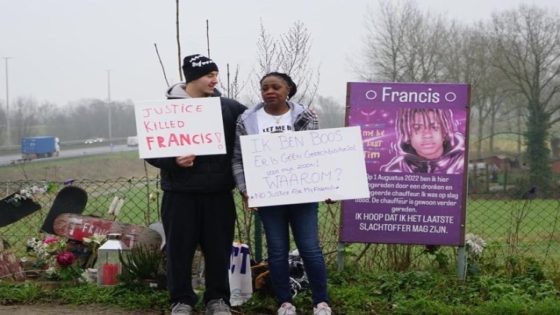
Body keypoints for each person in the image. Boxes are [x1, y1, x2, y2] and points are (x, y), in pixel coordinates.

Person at [146, 54, 246, 315]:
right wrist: (173, 160)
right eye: (209, 75)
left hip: (218, 194)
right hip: (179, 194)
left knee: (218, 250)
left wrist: (293, 110)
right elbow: (151, 150)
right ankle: (181, 300)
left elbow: (258, 123)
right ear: (192, 78)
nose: (215, 79)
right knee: (179, 251)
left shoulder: (229, 107)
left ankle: (218, 300)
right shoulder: (165, 109)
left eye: (215, 74)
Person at [232, 72, 332, 315]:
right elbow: (238, 159)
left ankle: (321, 302)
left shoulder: (305, 117)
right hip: (269, 198)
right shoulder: (247, 120)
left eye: (276, 87)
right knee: (277, 251)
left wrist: (329, 185)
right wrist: (246, 190)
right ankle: (284, 303)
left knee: (310, 249)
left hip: (302, 197)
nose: (269, 91)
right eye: (264, 87)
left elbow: (317, 154)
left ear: (289, 90)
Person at [380, 108, 465, 174]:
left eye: (434, 127)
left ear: (446, 130)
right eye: (417, 128)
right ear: (406, 133)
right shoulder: (393, 170)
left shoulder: (462, 164)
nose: (427, 135)